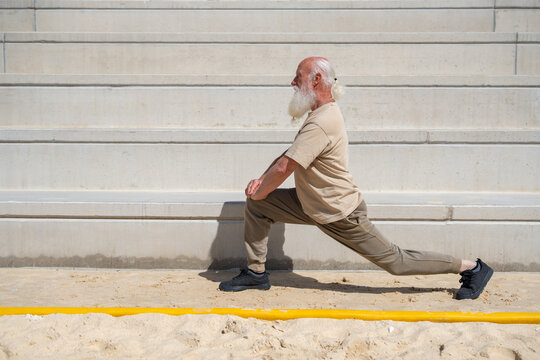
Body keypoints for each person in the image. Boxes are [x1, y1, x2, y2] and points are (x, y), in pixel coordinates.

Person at [219, 57, 493, 300]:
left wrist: (261, 186)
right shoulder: (318, 115)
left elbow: (284, 168)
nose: (292, 82)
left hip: (339, 212)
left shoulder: (323, 121)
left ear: (316, 80)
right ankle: (256, 274)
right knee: (259, 205)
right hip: (310, 202)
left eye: (298, 76)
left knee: (396, 262)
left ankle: (471, 267)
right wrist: (260, 185)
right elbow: (289, 156)